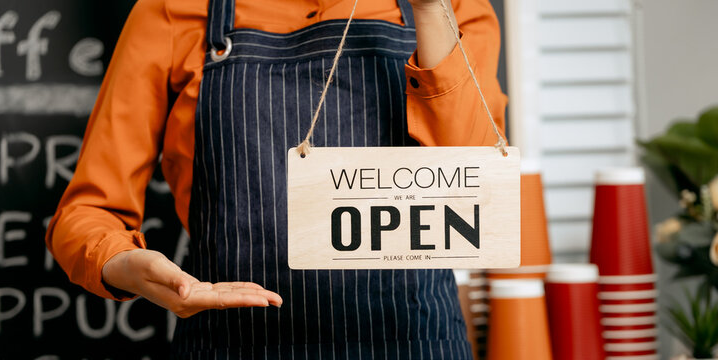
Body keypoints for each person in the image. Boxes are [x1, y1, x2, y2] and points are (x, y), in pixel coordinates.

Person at [46, 0, 507, 358]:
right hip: (232, 343)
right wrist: (122, 265)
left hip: (416, 341)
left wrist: (429, 9)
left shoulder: (455, 9)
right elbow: (87, 212)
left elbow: (479, 182)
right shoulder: (174, 10)